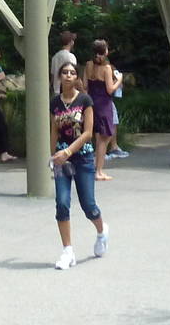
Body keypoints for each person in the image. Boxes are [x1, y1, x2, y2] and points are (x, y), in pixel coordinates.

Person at [49, 59, 110, 269]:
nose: (67, 75)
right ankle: (68, 251)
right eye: (64, 72)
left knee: (88, 205)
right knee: (62, 203)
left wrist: (68, 151)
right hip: (61, 160)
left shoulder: (85, 100)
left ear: (76, 77)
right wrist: (53, 156)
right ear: (59, 77)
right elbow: (54, 131)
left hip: (82, 157)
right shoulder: (55, 103)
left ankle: (102, 231)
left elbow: (87, 133)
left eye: (71, 72)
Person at [83, 40, 121, 180]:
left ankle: (94, 168)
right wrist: (119, 80)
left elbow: (85, 86)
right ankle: (98, 170)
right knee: (105, 137)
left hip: (92, 101)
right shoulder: (106, 68)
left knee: (96, 136)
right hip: (104, 104)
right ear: (105, 51)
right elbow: (110, 89)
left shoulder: (88, 65)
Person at [50, 30, 77, 96]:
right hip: (67, 91)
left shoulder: (55, 57)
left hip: (56, 91)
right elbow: (74, 75)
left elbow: (53, 77)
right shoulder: (71, 57)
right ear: (71, 42)